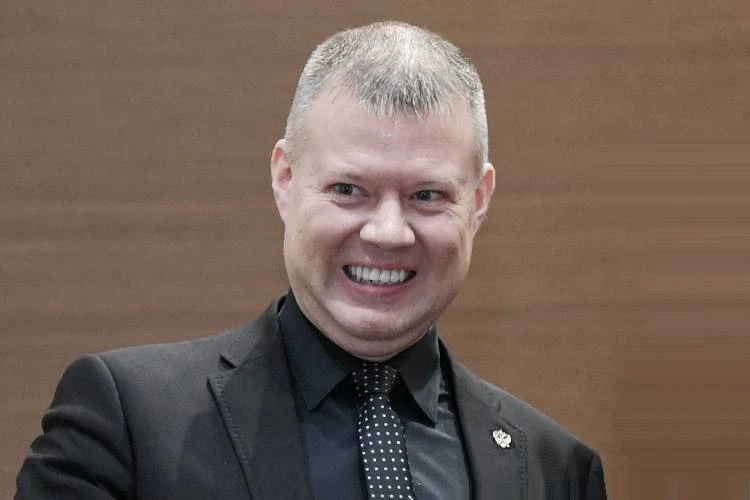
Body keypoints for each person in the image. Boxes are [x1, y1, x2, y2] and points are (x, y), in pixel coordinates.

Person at [16, 21, 606, 499]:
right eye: (349, 190)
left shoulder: (556, 471)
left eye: (427, 196)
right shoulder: (128, 422)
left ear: (478, 202)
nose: (387, 232)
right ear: (285, 179)